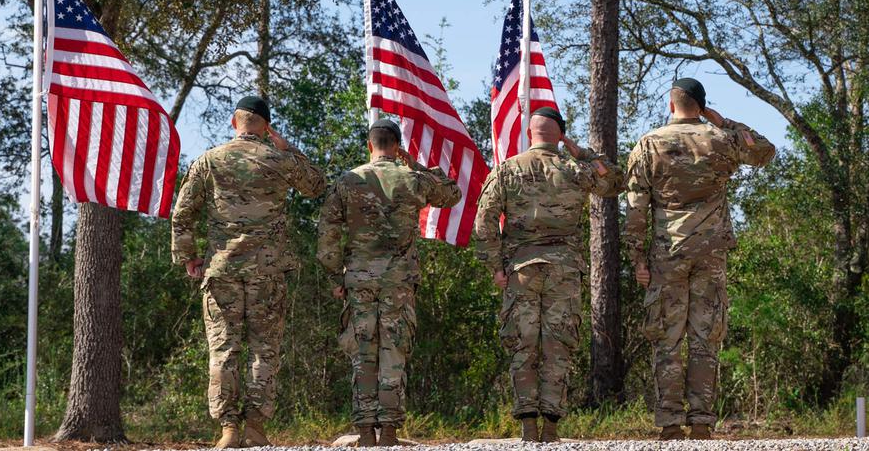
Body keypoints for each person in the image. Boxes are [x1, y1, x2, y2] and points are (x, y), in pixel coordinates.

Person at [171, 96, 326, 448]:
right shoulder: (279, 160)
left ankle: (227, 429)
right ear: (266, 126)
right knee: (264, 350)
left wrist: (189, 257)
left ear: (233, 121)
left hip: (221, 269)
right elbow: (317, 185)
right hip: (267, 272)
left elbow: (183, 214)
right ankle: (255, 428)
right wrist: (290, 149)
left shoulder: (209, 161)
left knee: (224, 349)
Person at [624, 79, 775, 441]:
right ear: (703, 106)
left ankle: (671, 422)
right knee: (706, 337)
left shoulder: (649, 144)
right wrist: (723, 123)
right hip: (710, 253)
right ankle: (703, 422)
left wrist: (637, 260)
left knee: (667, 337)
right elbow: (764, 151)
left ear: (670, 104)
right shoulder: (721, 140)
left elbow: (635, 210)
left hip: (667, 253)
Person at [473, 107, 623, 442]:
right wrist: (577, 149)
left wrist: (495, 266)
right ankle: (551, 426)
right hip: (564, 271)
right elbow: (614, 180)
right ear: (559, 135)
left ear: (530, 134)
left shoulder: (507, 170)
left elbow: (484, 221)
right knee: (558, 345)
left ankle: (528, 424)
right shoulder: (575, 168)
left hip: (520, 271)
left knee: (522, 344)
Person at [317, 118, 462, 447]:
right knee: (393, 351)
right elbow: (452, 193)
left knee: (363, 352)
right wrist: (419, 166)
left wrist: (334, 275)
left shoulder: (348, 180)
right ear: (397, 147)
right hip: (398, 280)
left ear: (370, 145)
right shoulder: (411, 178)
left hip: (359, 278)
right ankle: (391, 431)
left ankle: (366, 430)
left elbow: (327, 235)